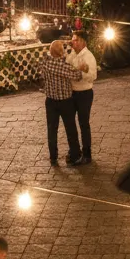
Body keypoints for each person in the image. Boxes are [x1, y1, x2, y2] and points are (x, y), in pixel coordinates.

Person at [40, 39, 83, 167]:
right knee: (71, 129)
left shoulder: (45, 64)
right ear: (61, 52)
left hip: (51, 101)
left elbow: (44, 77)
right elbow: (77, 76)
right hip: (65, 102)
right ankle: (75, 155)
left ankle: (53, 157)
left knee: (52, 130)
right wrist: (79, 68)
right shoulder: (64, 66)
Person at [67, 31, 97, 165]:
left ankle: (87, 154)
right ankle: (74, 152)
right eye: (72, 40)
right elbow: (66, 67)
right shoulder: (73, 54)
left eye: (76, 40)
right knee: (71, 123)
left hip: (84, 93)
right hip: (72, 93)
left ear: (83, 41)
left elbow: (93, 76)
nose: (73, 42)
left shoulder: (88, 56)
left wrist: (84, 72)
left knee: (83, 124)